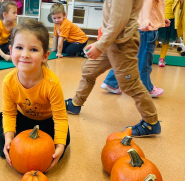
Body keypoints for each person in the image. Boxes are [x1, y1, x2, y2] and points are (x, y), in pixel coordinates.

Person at [0, 19, 70, 171]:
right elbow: (10, 113)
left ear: (45, 56)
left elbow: (60, 118)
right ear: (11, 51)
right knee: (1, 136)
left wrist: (60, 145)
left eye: (33, 50)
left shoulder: (52, 83)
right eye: (19, 47)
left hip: (47, 122)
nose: (25, 54)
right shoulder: (8, 81)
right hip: (22, 118)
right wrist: (8, 139)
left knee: (60, 143)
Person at [65, 0, 161, 137]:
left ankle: (151, 123)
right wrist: (102, 43)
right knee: (89, 70)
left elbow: (118, 22)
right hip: (111, 39)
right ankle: (75, 103)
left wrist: (99, 46)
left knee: (130, 84)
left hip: (122, 42)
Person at [101, 0, 169, 98]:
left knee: (127, 58)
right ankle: (146, 87)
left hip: (135, 25)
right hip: (146, 28)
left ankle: (111, 82)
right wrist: (146, 19)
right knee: (144, 60)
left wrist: (160, 19)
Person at [157, 0, 179, 67]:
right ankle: (148, 57)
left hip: (170, 18)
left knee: (166, 40)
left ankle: (162, 59)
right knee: (155, 39)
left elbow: (179, 6)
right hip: (158, 18)